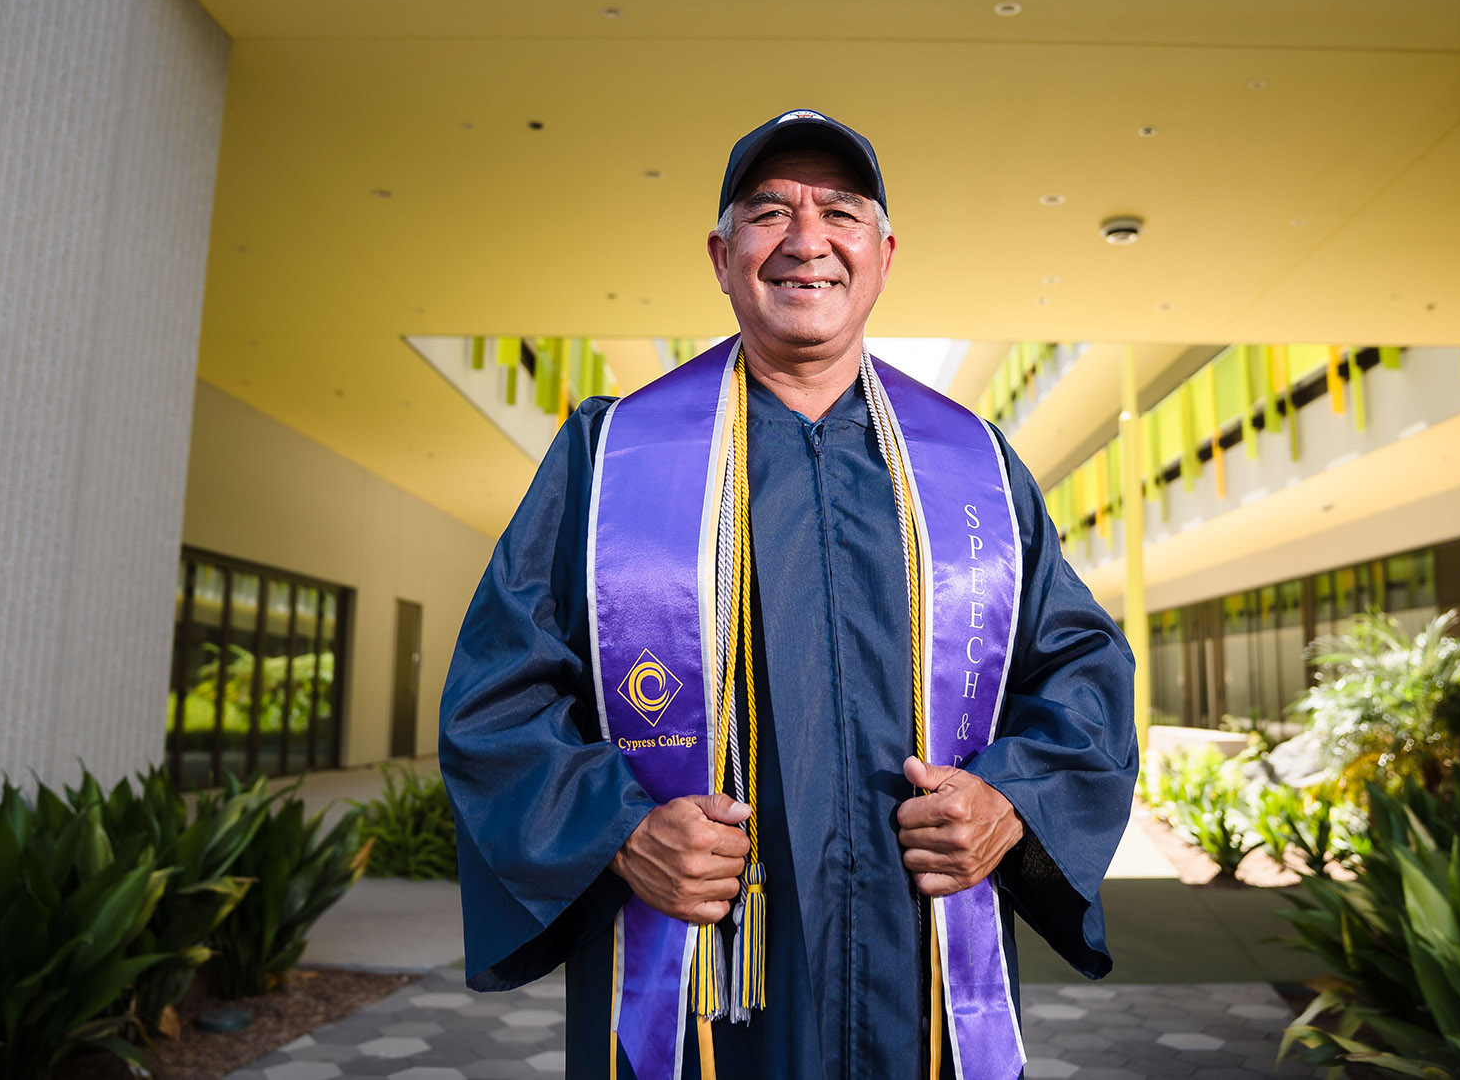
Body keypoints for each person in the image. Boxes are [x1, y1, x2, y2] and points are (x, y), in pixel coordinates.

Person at [440, 109, 1139, 1080]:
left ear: (883, 256)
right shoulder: (609, 460)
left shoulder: (973, 468)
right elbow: (497, 698)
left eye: (839, 213)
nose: (806, 239)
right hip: (703, 976)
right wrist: (618, 831)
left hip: (919, 976)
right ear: (721, 258)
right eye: (768, 212)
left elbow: (1082, 675)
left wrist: (1011, 803)